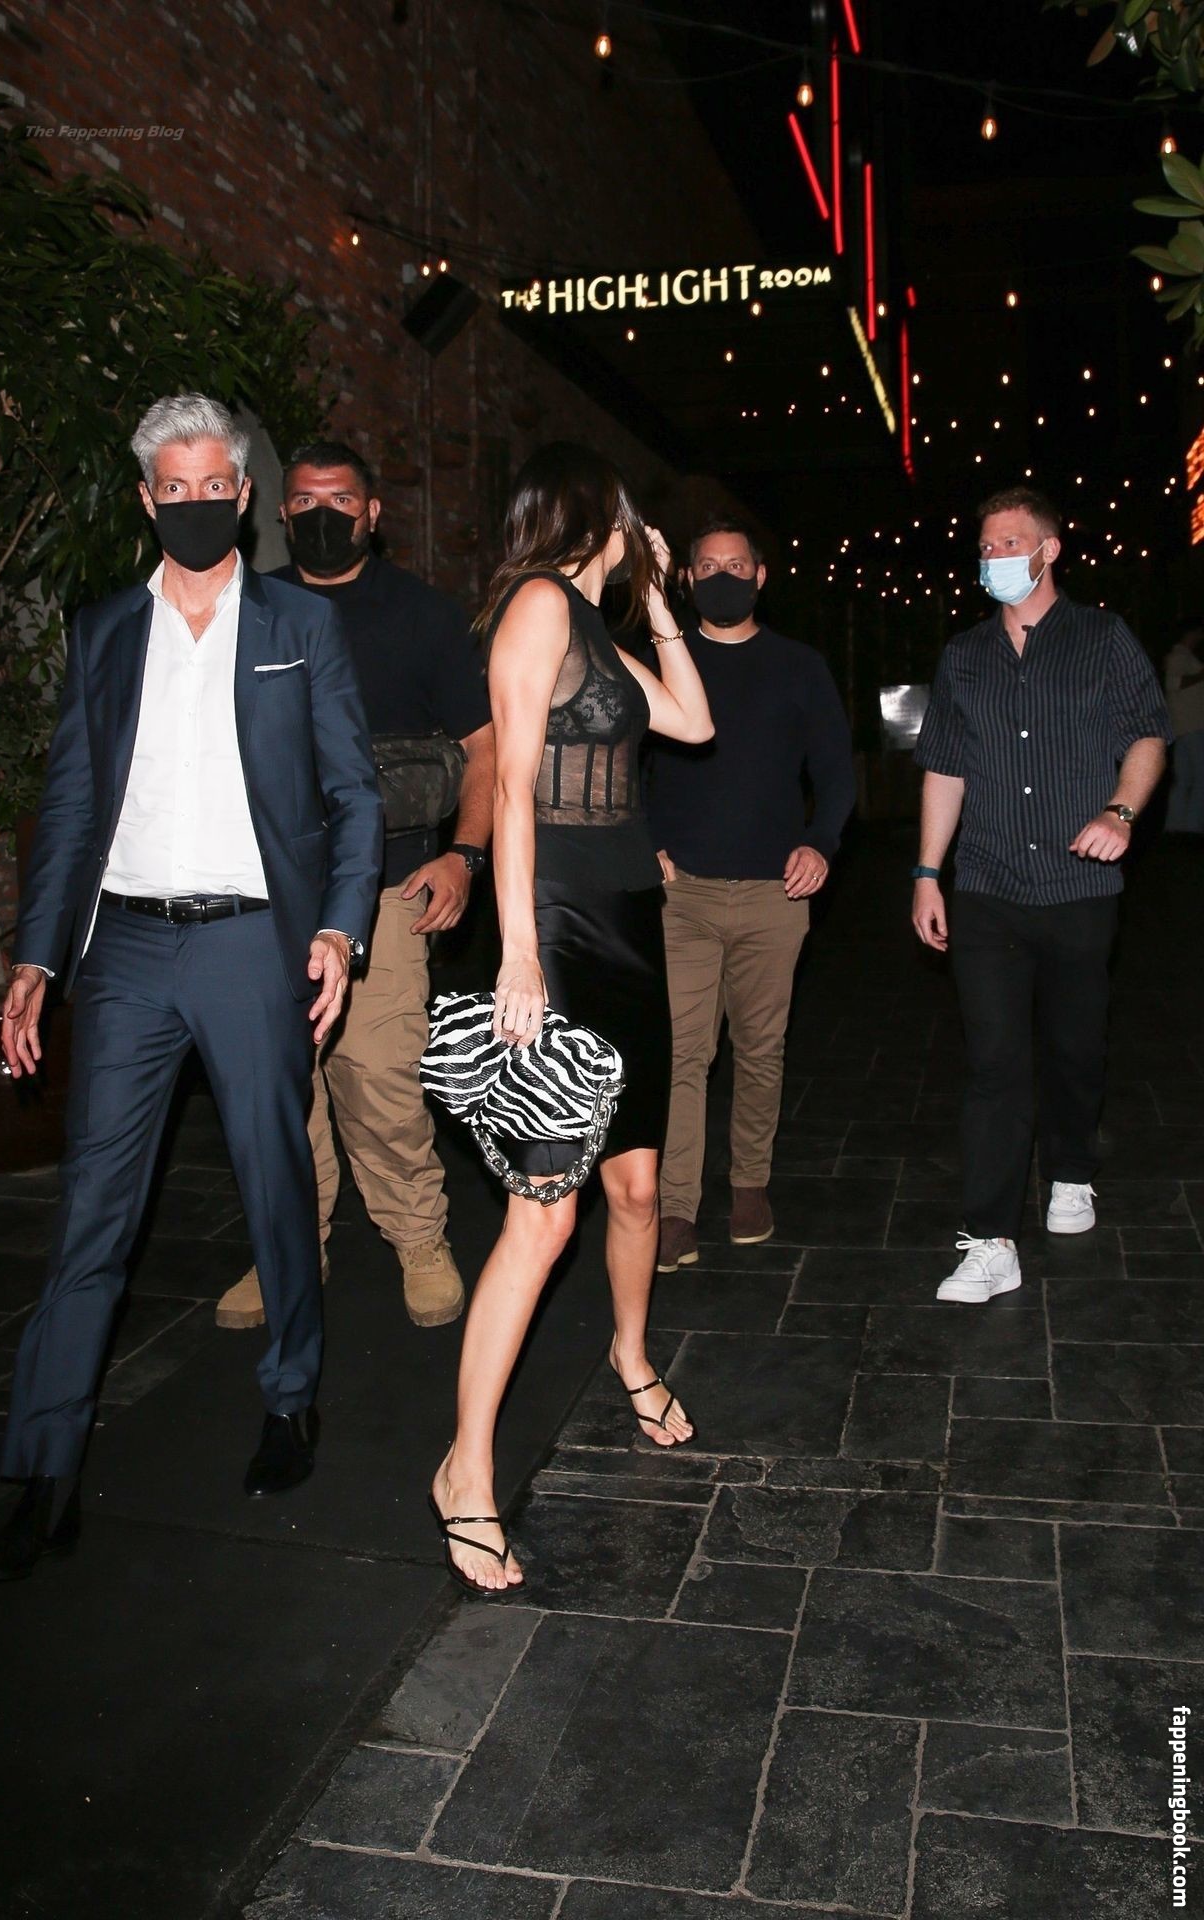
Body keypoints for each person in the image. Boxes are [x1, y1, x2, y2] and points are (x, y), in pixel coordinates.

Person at [0, 395, 383, 1582]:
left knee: (273, 1181)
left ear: (243, 497)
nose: (196, 505)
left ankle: (290, 1397)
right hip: (128, 955)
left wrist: (340, 929)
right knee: (92, 1212)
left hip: (253, 944)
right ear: (147, 500)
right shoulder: (103, 630)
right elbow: (70, 805)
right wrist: (37, 958)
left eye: (214, 487)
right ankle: (45, 1474)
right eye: (174, 489)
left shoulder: (300, 623)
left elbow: (352, 794)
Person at [429, 443, 713, 1595]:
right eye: (630, 514)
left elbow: (689, 720)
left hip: (631, 927)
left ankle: (630, 1353)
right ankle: (466, 1470)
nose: (641, 526)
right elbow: (509, 784)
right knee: (542, 1219)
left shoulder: (598, 623)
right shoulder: (538, 604)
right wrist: (518, 954)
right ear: (597, 512)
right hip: (553, 929)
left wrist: (660, 602)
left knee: (635, 1186)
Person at [213, 443, 493, 1332]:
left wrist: (465, 855)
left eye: (341, 500)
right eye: (304, 501)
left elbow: (484, 748)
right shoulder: (244, 607)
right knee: (275, 1085)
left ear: (373, 513)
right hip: (263, 889)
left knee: (378, 1076)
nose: (322, 515)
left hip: (388, 882)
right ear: (278, 512)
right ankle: (290, 1248)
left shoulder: (424, 616)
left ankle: (418, 1238)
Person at [912, 484, 1170, 1306]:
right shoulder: (964, 656)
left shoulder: (1103, 638)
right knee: (994, 1062)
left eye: (1011, 543)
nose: (996, 557)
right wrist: (927, 872)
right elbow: (945, 768)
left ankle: (1071, 1168)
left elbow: (1147, 735)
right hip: (988, 884)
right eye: (986, 546)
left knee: (1074, 1047)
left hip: (1078, 884)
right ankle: (990, 1239)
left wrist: (1120, 812)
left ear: (1050, 549)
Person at [646, 518, 855, 1267]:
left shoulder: (799, 666)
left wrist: (820, 843)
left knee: (761, 1049)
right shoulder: (662, 660)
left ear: (761, 576)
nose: (723, 577)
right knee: (683, 1053)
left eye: (737, 565)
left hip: (775, 892)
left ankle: (749, 1186)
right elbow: (621, 764)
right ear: (687, 578)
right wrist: (644, 842)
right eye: (708, 566)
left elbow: (836, 772)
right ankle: (676, 1208)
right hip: (682, 895)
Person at [1164, 619, 1204, 835]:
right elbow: (1174, 683)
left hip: (1184, 727)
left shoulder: (1185, 656)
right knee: (1199, 777)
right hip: (1191, 726)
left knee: (1185, 778)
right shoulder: (1178, 656)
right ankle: (1192, 825)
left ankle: (1177, 825)